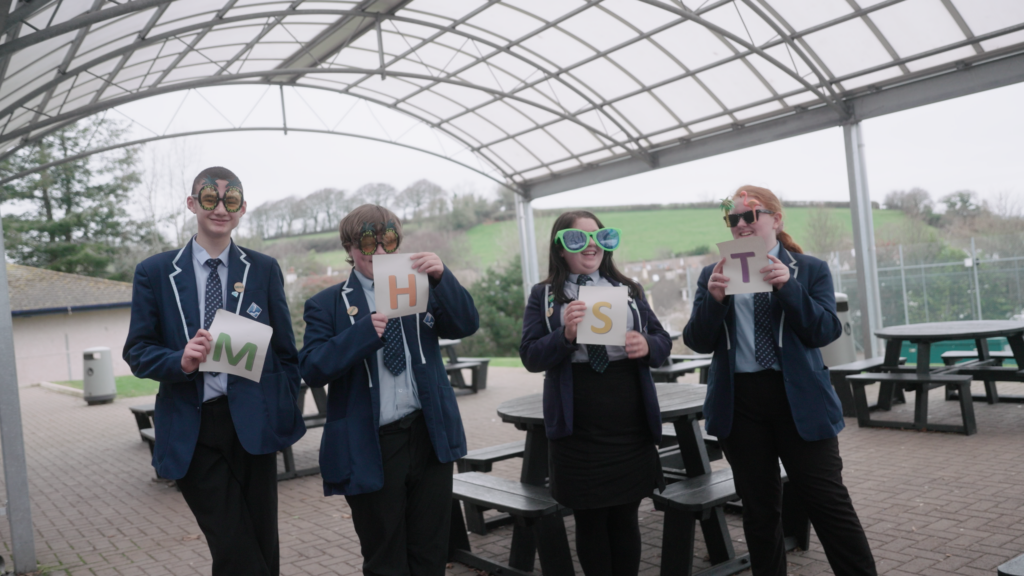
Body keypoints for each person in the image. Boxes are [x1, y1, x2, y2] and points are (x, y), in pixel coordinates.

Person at [684, 185, 877, 575]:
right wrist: (713, 301)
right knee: (758, 511)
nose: (740, 224)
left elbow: (825, 332)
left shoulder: (810, 269)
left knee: (828, 502)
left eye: (749, 216)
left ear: (776, 219)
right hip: (741, 404)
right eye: (732, 218)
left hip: (800, 401)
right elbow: (697, 341)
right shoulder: (713, 273)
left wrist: (788, 287)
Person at [123, 167, 305, 576]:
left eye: (231, 200)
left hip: (252, 429)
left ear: (242, 209)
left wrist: (279, 411)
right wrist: (180, 360)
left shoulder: (263, 269)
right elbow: (137, 352)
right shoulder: (154, 273)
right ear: (192, 204)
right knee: (235, 548)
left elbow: (286, 353)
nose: (220, 208)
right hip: (194, 431)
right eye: (210, 199)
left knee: (262, 546)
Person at [299, 204, 478, 576]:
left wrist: (444, 278)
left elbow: (465, 323)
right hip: (372, 445)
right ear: (349, 247)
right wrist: (361, 334)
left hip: (428, 436)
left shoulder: (421, 285)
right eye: (367, 242)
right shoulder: (327, 304)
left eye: (388, 241)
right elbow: (312, 368)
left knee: (430, 553)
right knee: (385, 558)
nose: (379, 252)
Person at [519, 210, 672, 576]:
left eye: (599, 237)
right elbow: (530, 356)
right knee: (589, 520)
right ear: (560, 249)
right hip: (578, 427)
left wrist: (646, 344)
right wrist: (565, 336)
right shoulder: (544, 296)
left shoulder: (629, 290)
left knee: (626, 517)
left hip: (628, 422)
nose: (591, 246)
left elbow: (664, 343)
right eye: (578, 239)